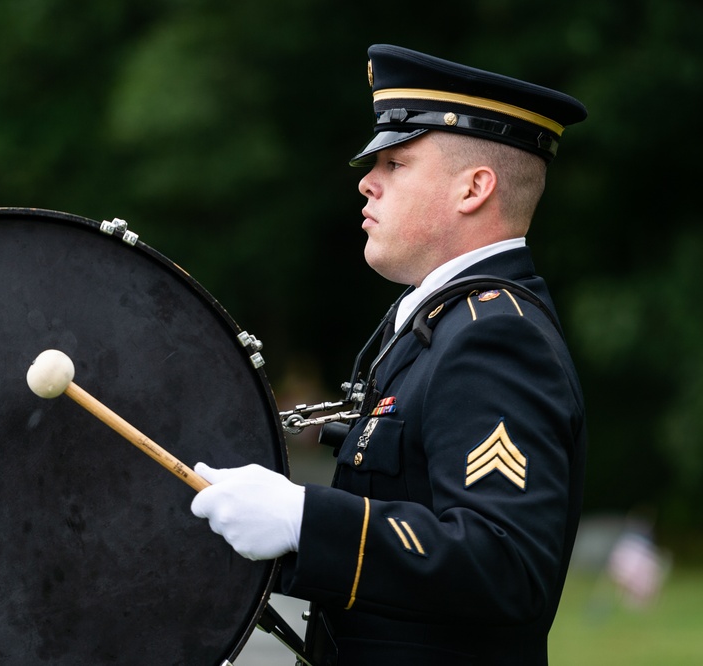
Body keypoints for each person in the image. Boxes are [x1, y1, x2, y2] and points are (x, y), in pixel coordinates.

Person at [191, 44, 588, 665]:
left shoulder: (492, 338)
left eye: (396, 163)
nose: (366, 181)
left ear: (474, 188)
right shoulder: (433, 329)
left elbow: (506, 564)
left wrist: (304, 521)